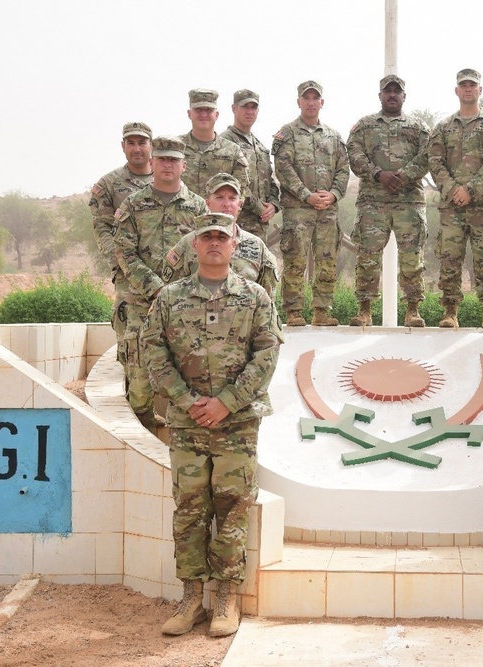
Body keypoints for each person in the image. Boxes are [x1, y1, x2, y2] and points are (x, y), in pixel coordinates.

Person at [142, 211, 283, 638]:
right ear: (195, 245)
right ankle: (191, 597)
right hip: (187, 425)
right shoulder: (169, 298)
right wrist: (186, 401)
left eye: (222, 237)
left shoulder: (255, 296)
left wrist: (226, 402)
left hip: (237, 423)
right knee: (190, 510)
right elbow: (153, 354)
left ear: (234, 244)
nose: (215, 243)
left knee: (233, 507)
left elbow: (267, 354)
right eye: (207, 238)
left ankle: (226, 597)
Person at [113, 136, 207, 428]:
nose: (168, 165)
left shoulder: (198, 207)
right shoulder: (134, 205)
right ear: (152, 163)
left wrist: (184, 292)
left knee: (189, 368)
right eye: (163, 159)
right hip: (143, 303)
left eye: (174, 160)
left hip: (185, 305)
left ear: (184, 166)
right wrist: (156, 288)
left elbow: (206, 253)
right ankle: (140, 421)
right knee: (139, 374)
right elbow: (124, 253)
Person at [346, 74, 430, 327]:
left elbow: (428, 155)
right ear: (380, 95)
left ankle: (413, 310)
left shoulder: (418, 127)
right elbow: (354, 153)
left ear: (404, 96)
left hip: (409, 202)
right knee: (368, 256)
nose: (392, 94)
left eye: (397, 91)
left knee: (412, 257)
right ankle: (364, 310)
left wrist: (404, 175)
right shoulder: (364, 125)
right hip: (373, 201)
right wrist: (377, 174)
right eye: (387, 91)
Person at [427, 68, 483, 328]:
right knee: (449, 259)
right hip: (452, 207)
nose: (468, 89)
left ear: (480, 90)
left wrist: (471, 190)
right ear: (456, 90)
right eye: (463, 85)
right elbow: (435, 162)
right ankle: (450, 311)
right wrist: (453, 190)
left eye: (473, 85)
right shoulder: (443, 127)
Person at [272, 80, 350, 327]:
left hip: (328, 210)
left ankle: (321, 311)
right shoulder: (288, 134)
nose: (311, 102)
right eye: (306, 98)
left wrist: (334, 194)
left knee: (327, 260)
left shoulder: (333, 136)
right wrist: (306, 195)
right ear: (299, 102)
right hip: (298, 210)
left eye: (315, 98)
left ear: (322, 103)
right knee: (295, 260)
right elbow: (283, 168)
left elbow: (343, 169)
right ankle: (294, 311)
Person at [88, 121, 154, 383]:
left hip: (166, 275)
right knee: (132, 346)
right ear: (123, 146)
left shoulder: (166, 179)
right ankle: (135, 409)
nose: (137, 149)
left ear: (151, 145)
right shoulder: (109, 185)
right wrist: (119, 264)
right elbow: (102, 229)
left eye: (142, 142)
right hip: (129, 278)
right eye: (131, 143)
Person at [164, 172, 279, 297]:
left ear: (239, 205)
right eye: (219, 197)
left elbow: (267, 301)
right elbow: (170, 294)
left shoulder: (257, 246)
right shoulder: (188, 243)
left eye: (232, 198)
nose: (226, 204)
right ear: (208, 203)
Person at [220, 89, 281, 238]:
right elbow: (230, 184)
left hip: (259, 227)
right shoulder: (225, 143)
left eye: (253, 107)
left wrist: (273, 205)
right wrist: (259, 208)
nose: (249, 111)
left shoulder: (259, 146)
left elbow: (269, 180)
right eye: (245, 107)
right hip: (234, 225)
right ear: (234, 108)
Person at [181, 89, 255, 209]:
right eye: (198, 109)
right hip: (182, 223)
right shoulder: (177, 149)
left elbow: (240, 192)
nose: (204, 114)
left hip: (219, 224)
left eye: (209, 110)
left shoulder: (233, 151)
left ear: (217, 115)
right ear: (189, 113)